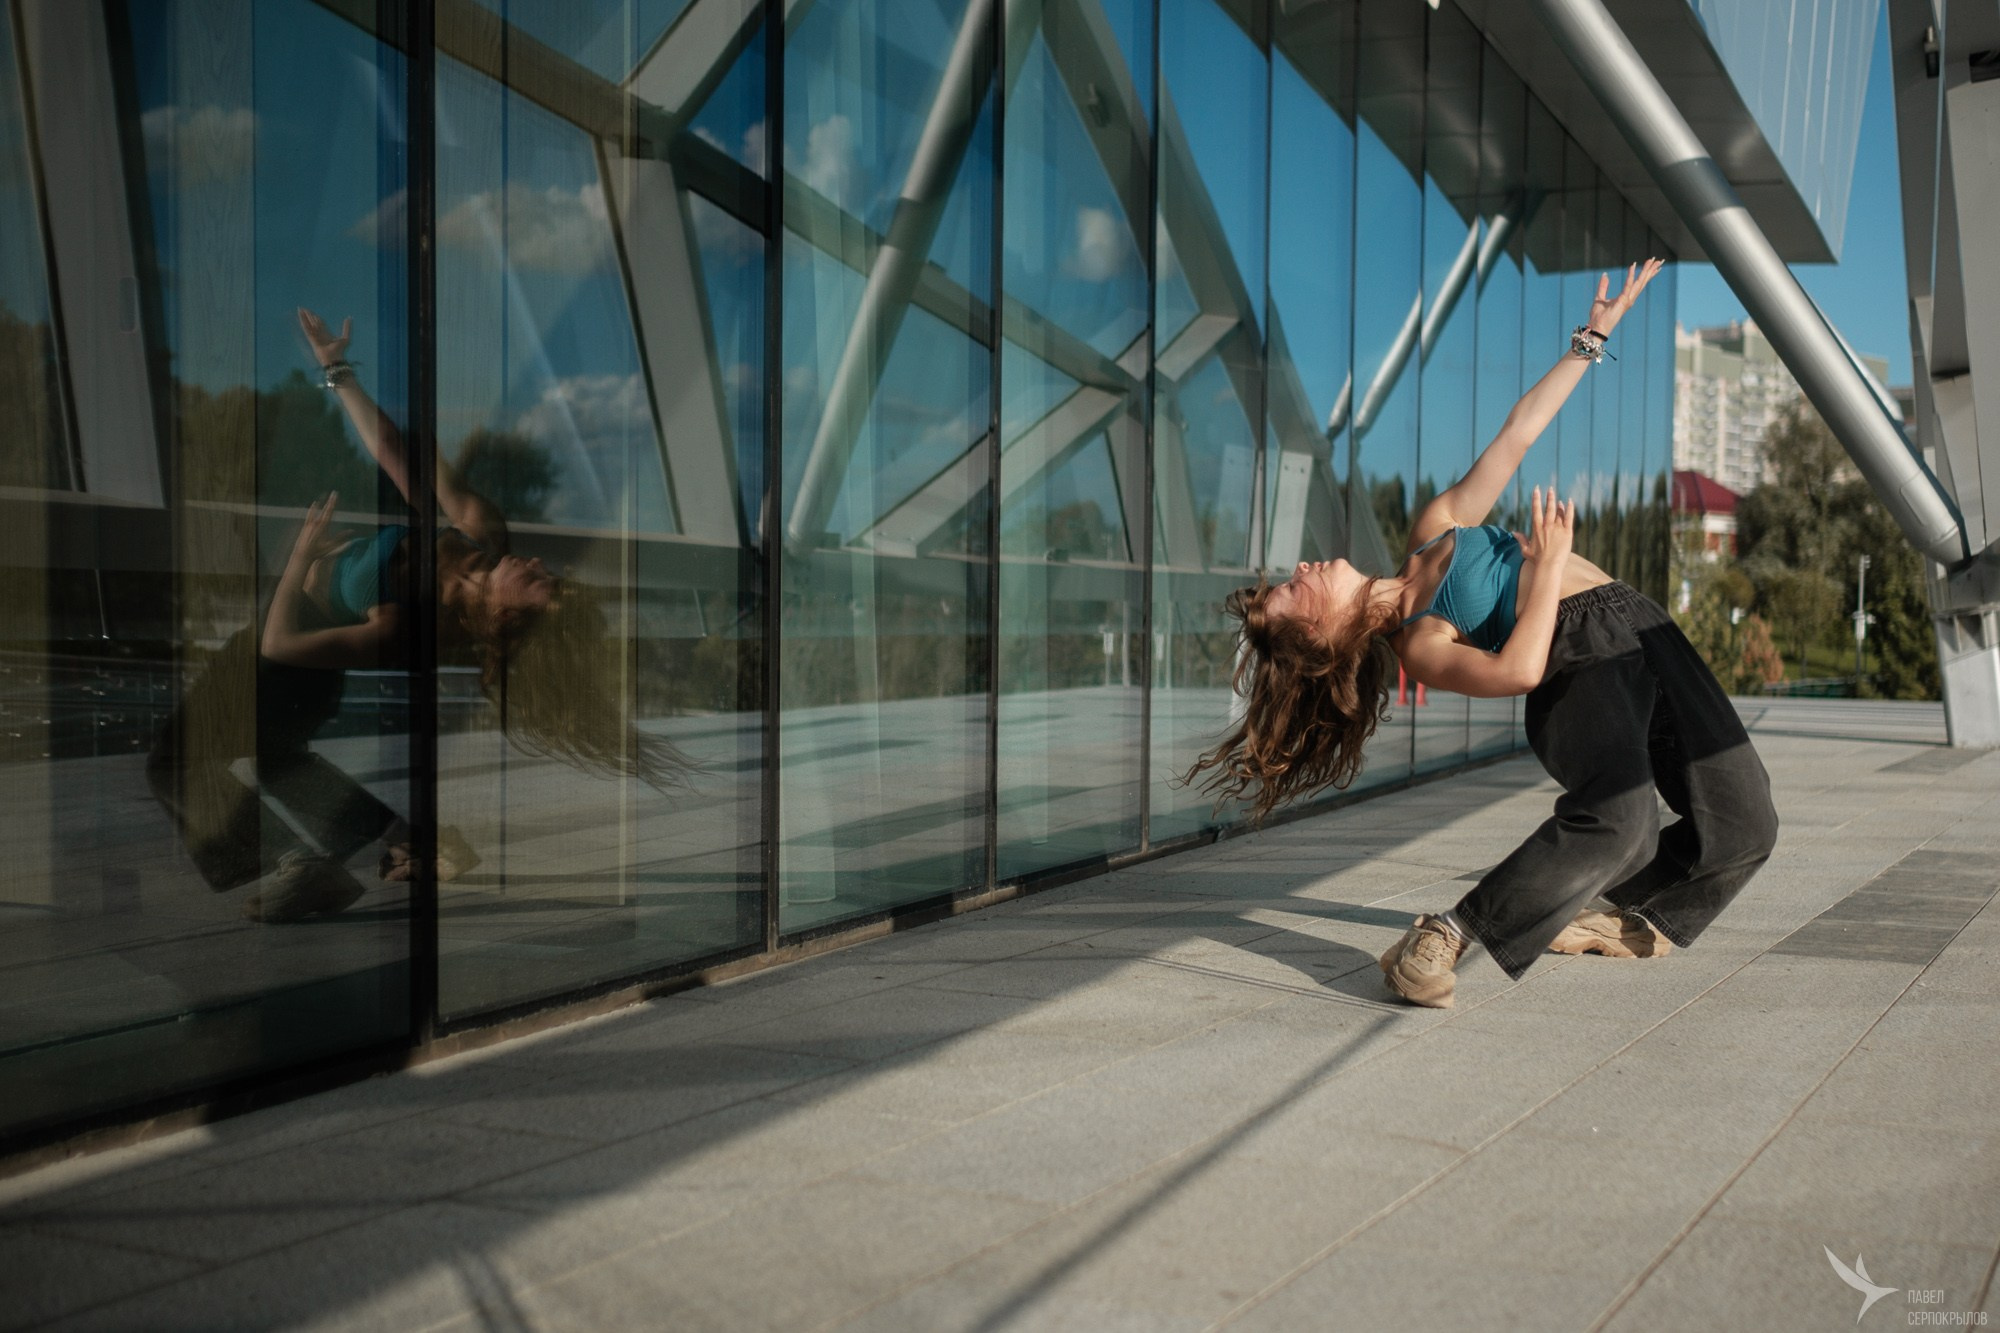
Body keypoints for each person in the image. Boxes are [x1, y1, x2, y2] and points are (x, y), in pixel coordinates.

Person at [1186, 259, 1778, 1008]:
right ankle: (1445, 935)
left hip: (1641, 624)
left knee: (1747, 820)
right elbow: (1523, 671)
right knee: (1623, 818)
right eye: (1294, 587)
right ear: (1320, 632)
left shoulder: (1435, 527)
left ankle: (1622, 914)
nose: (1302, 566)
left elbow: (1518, 433)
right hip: (1577, 657)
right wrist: (1549, 565)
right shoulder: (1421, 641)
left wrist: (1591, 339)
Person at [147, 308, 685, 922]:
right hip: (291, 638)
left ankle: (303, 863)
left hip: (287, 649)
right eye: (549, 573)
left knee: (176, 759)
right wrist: (337, 370)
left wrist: (299, 557)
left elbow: (278, 645)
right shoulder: (481, 532)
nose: (538, 564)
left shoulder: (408, 627)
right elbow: (395, 452)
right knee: (276, 754)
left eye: (543, 585)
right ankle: (405, 841)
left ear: (514, 621)